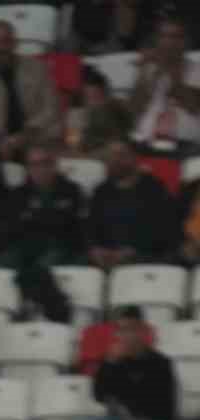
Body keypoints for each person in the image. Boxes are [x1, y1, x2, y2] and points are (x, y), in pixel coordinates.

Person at [0, 20, 60, 161]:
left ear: (14, 44)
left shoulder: (37, 69)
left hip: (35, 139)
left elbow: (51, 108)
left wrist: (26, 133)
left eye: (5, 41)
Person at [87, 139, 180, 271]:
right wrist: (96, 249)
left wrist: (133, 251)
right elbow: (92, 228)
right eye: (110, 156)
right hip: (105, 261)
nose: (114, 160)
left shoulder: (155, 190)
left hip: (146, 259)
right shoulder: (101, 192)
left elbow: (164, 230)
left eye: (121, 155)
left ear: (135, 157)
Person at [0, 145, 84, 271]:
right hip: (23, 248)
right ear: (28, 168)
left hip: (60, 248)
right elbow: (10, 228)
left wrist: (33, 218)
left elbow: (71, 227)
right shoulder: (17, 195)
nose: (41, 169)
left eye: (45, 163)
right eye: (34, 164)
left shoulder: (72, 191)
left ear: (54, 165)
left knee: (39, 270)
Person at [94, 306, 178, 420]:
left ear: (142, 331)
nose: (125, 336)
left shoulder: (161, 363)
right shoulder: (114, 362)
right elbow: (98, 395)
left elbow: (165, 410)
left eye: (130, 329)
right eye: (121, 330)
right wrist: (109, 363)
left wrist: (131, 416)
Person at [129, 15, 200, 152]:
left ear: (184, 41)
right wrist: (142, 73)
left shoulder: (196, 69)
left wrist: (170, 69)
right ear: (158, 40)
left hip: (185, 145)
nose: (169, 42)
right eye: (164, 36)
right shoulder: (150, 68)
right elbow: (134, 109)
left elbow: (192, 106)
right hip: (145, 141)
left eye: (175, 37)